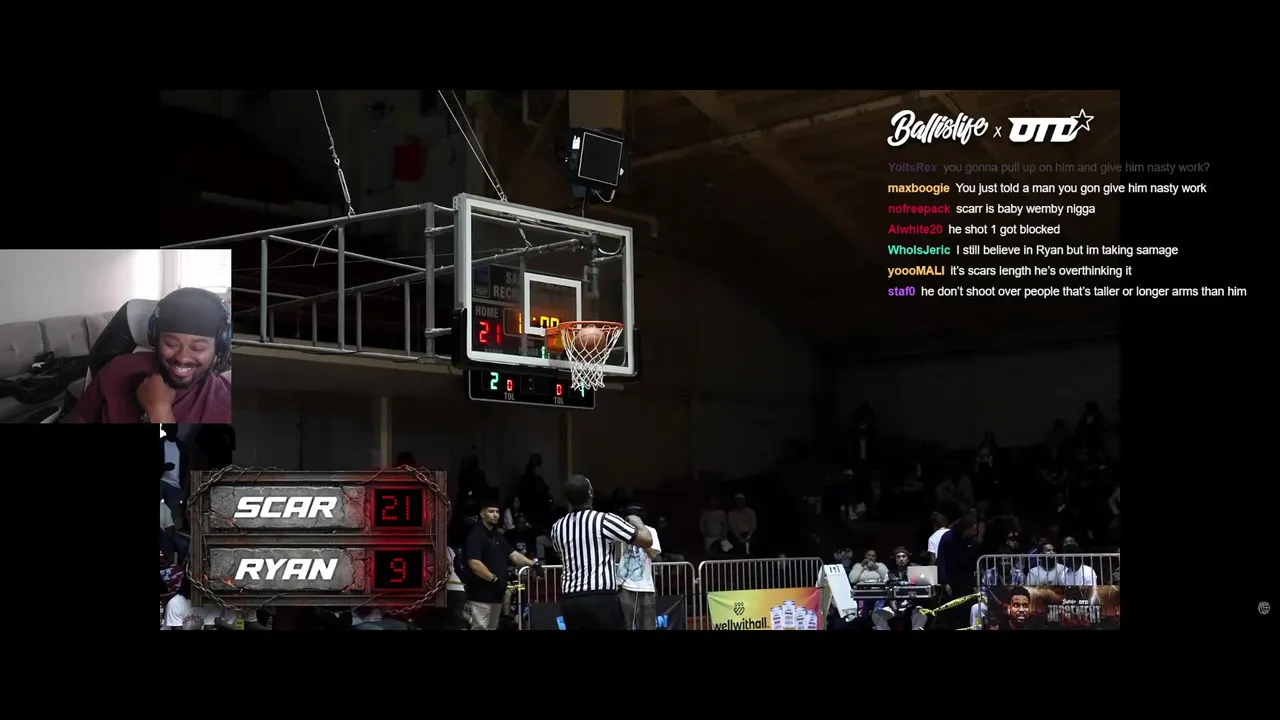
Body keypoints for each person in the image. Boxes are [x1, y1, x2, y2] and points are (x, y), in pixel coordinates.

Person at [67, 288, 232, 423]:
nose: (182, 358)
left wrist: (159, 411)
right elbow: (82, 415)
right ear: (155, 339)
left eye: (198, 348)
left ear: (218, 347)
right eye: (171, 344)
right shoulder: (119, 369)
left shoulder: (224, 402)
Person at [550, 474, 653, 630]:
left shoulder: (558, 527)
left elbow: (560, 553)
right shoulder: (604, 520)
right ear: (590, 494)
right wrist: (637, 521)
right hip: (600, 596)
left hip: (570, 599)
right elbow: (646, 540)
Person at [463, 502, 539, 631]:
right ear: (482, 513)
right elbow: (474, 563)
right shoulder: (476, 534)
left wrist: (533, 564)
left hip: (497, 594)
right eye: (491, 511)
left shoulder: (498, 535)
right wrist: (493, 578)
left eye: (497, 512)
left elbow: (513, 554)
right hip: (481, 594)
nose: (495, 515)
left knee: (492, 628)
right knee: (480, 628)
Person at [617, 503, 663, 630]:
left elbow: (655, 556)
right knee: (625, 624)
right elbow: (616, 556)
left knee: (648, 626)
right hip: (624, 586)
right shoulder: (621, 532)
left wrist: (641, 539)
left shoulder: (650, 531)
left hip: (646, 587)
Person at [873, 547, 928, 630]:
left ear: (908, 559)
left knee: (922, 614)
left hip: (912, 605)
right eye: (898, 557)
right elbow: (886, 591)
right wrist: (893, 606)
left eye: (903, 556)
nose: (901, 559)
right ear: (895, 560)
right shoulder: (889, 574)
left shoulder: (916, 572)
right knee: (877, 615)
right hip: (893, 606)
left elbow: (922, 589)